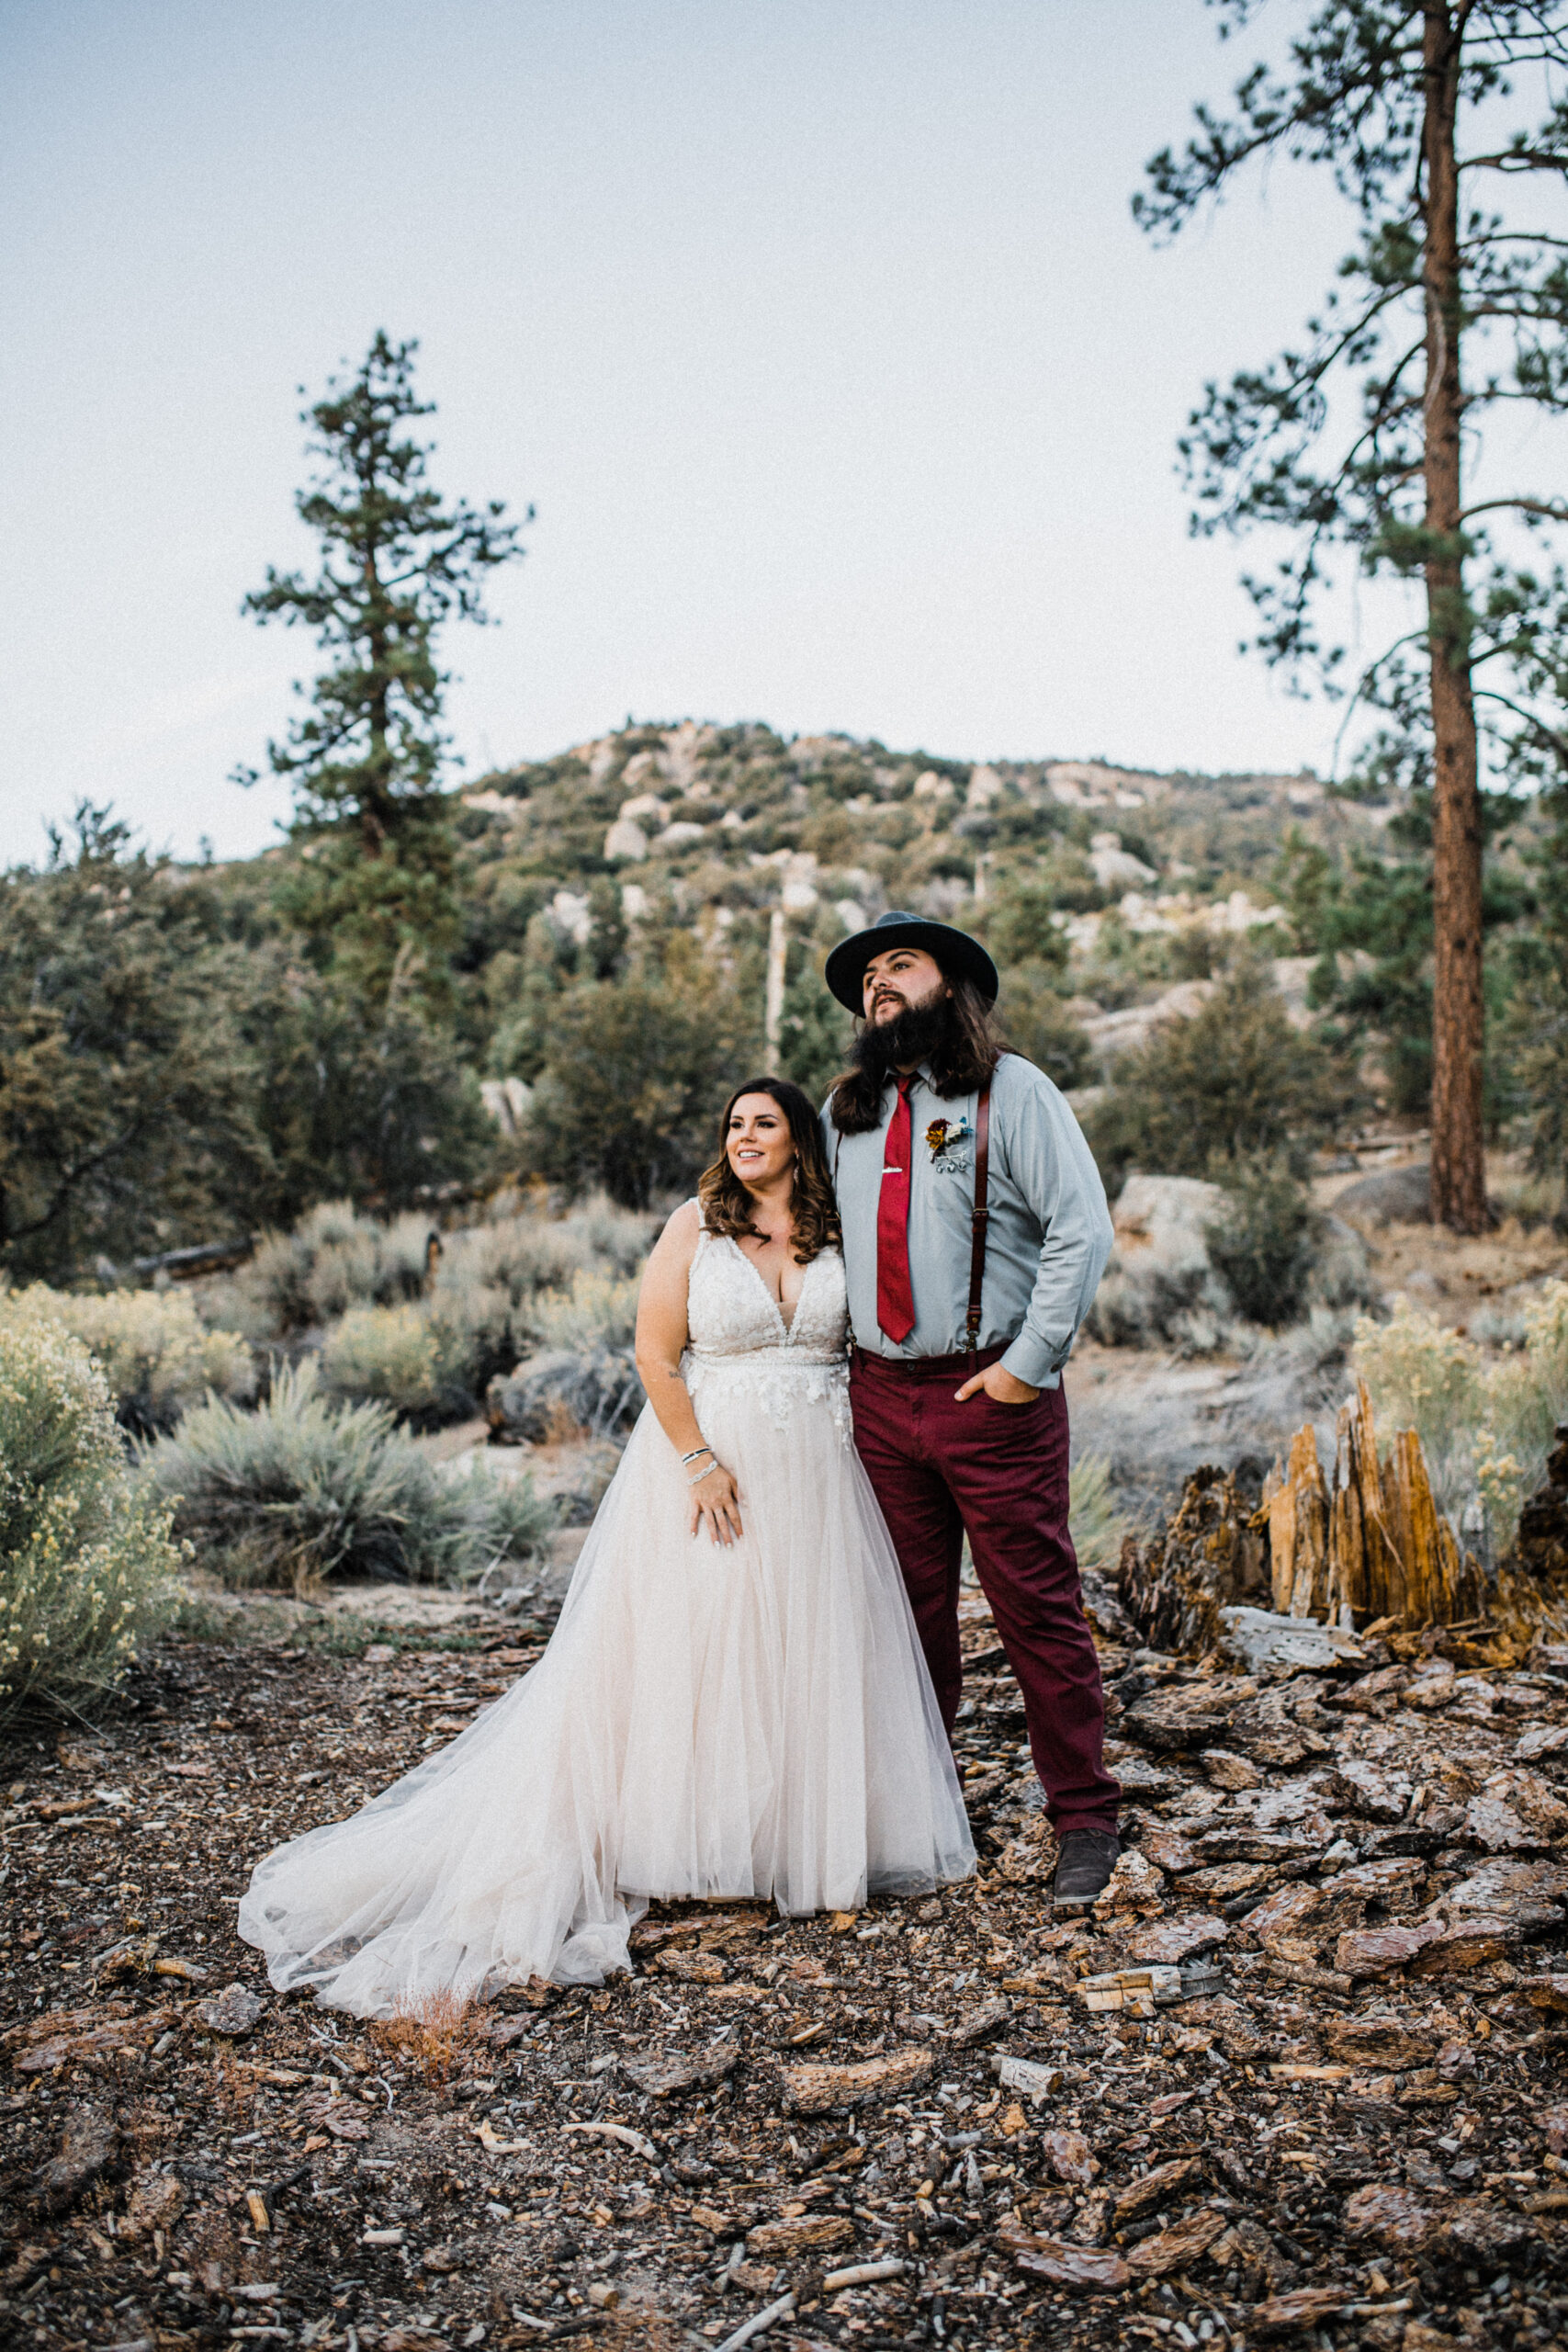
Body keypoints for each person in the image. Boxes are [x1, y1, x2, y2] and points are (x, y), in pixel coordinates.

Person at [238, 1077, 972, 2017]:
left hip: (824, 1475)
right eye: (734, 1122)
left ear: (800, 1140)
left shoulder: (839, 1232)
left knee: (813, 1641)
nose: (745, 1135)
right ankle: (692, 1834)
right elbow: (655, 1354)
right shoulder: (693, 1227)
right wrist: (700, 1460)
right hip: (713, 1467)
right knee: (703, 1644)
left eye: (765, 1121)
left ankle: (805, 1835)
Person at [820, 909, 1122, 1910]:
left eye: (898, 965)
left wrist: (1026, 1366)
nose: (877, 983)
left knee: (1035, 1607)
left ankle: (1083, 1815)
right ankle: (923, 1807)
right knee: (906, 1618)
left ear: (952, 985)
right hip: (878, 1397)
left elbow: (1082, 1232)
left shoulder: (1013, 1091)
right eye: (866, 975)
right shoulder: (847, 1113)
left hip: (991, 1393)